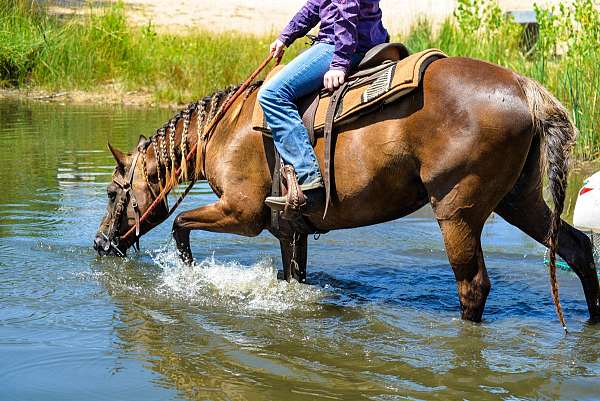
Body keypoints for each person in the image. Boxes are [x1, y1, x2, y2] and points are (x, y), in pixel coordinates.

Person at [259, 0, 389, 213]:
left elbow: (346, 7)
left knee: (272, 94)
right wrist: (286, 36)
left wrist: (339, 63)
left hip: (341, 43)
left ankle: (307, 178)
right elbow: (316, 4)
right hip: (371, 40)